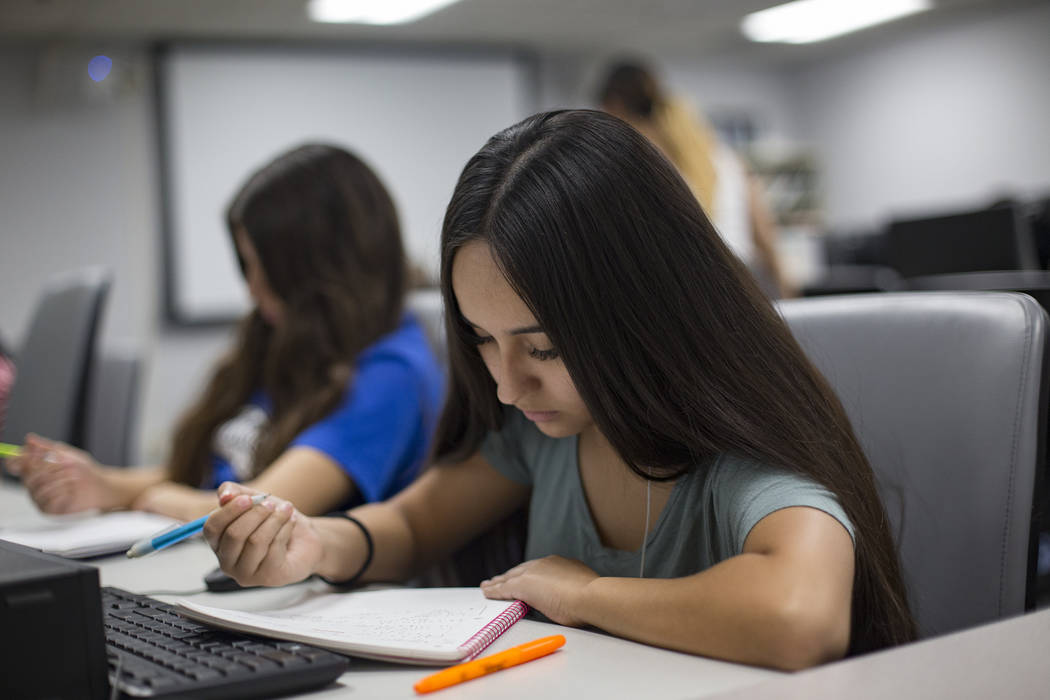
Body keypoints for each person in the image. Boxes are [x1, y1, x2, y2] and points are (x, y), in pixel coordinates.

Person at [202, 111, 916, 670]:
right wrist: (312, 546)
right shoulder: (552, 425)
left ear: (639, 310)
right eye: (483, 341)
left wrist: (584, 594)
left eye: (541, 346)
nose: (508, 386)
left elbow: (801, 617)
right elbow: (416, 528)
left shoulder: (736, 447)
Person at [9, 144, 446, 522]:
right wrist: (102, 484)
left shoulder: (391, 374)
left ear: (315, 266)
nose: (251, 288)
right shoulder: (291, 341)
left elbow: (260, 508)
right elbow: (207, 473)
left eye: (259, 266)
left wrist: (153, 500)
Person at [597, 60, 793, 298]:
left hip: (695, 293)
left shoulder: (639, 169)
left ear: (615, 106)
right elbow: (766, 239)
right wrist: (788, 292)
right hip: (742, 290)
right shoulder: (726, 160)